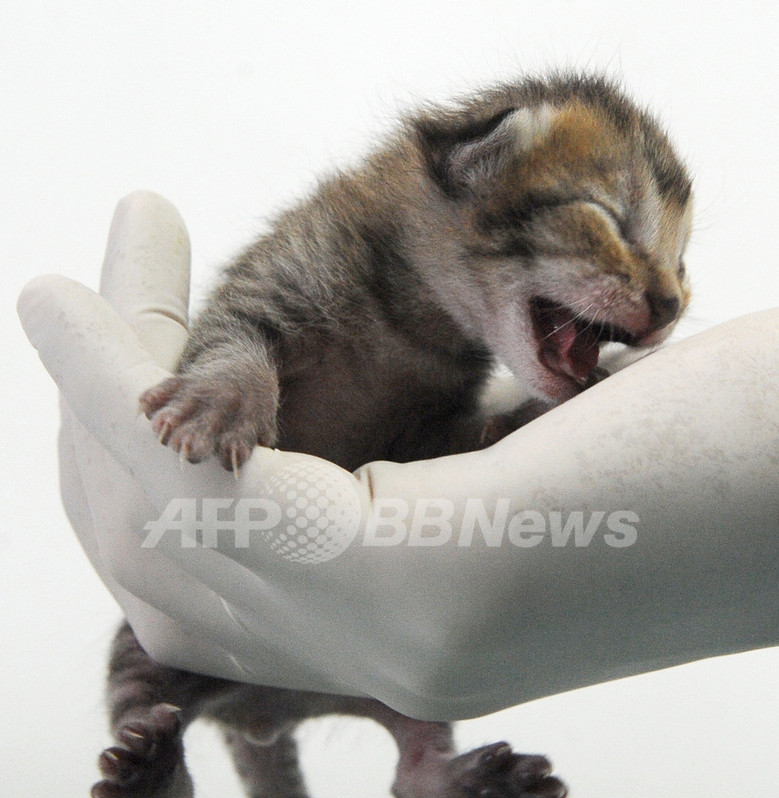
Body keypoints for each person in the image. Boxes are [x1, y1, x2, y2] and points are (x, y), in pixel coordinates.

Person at [17, 192, 779, 720]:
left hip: (338, 646)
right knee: (163, 637)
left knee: (394, 662)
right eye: (617, 225)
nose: (672, 298)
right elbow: (246, 326)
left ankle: (422, 762)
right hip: (239, 619)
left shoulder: (464, 353)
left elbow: (443, 454)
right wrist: (230, 380)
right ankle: (158, 735)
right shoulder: (335, 243)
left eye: (678, 266)